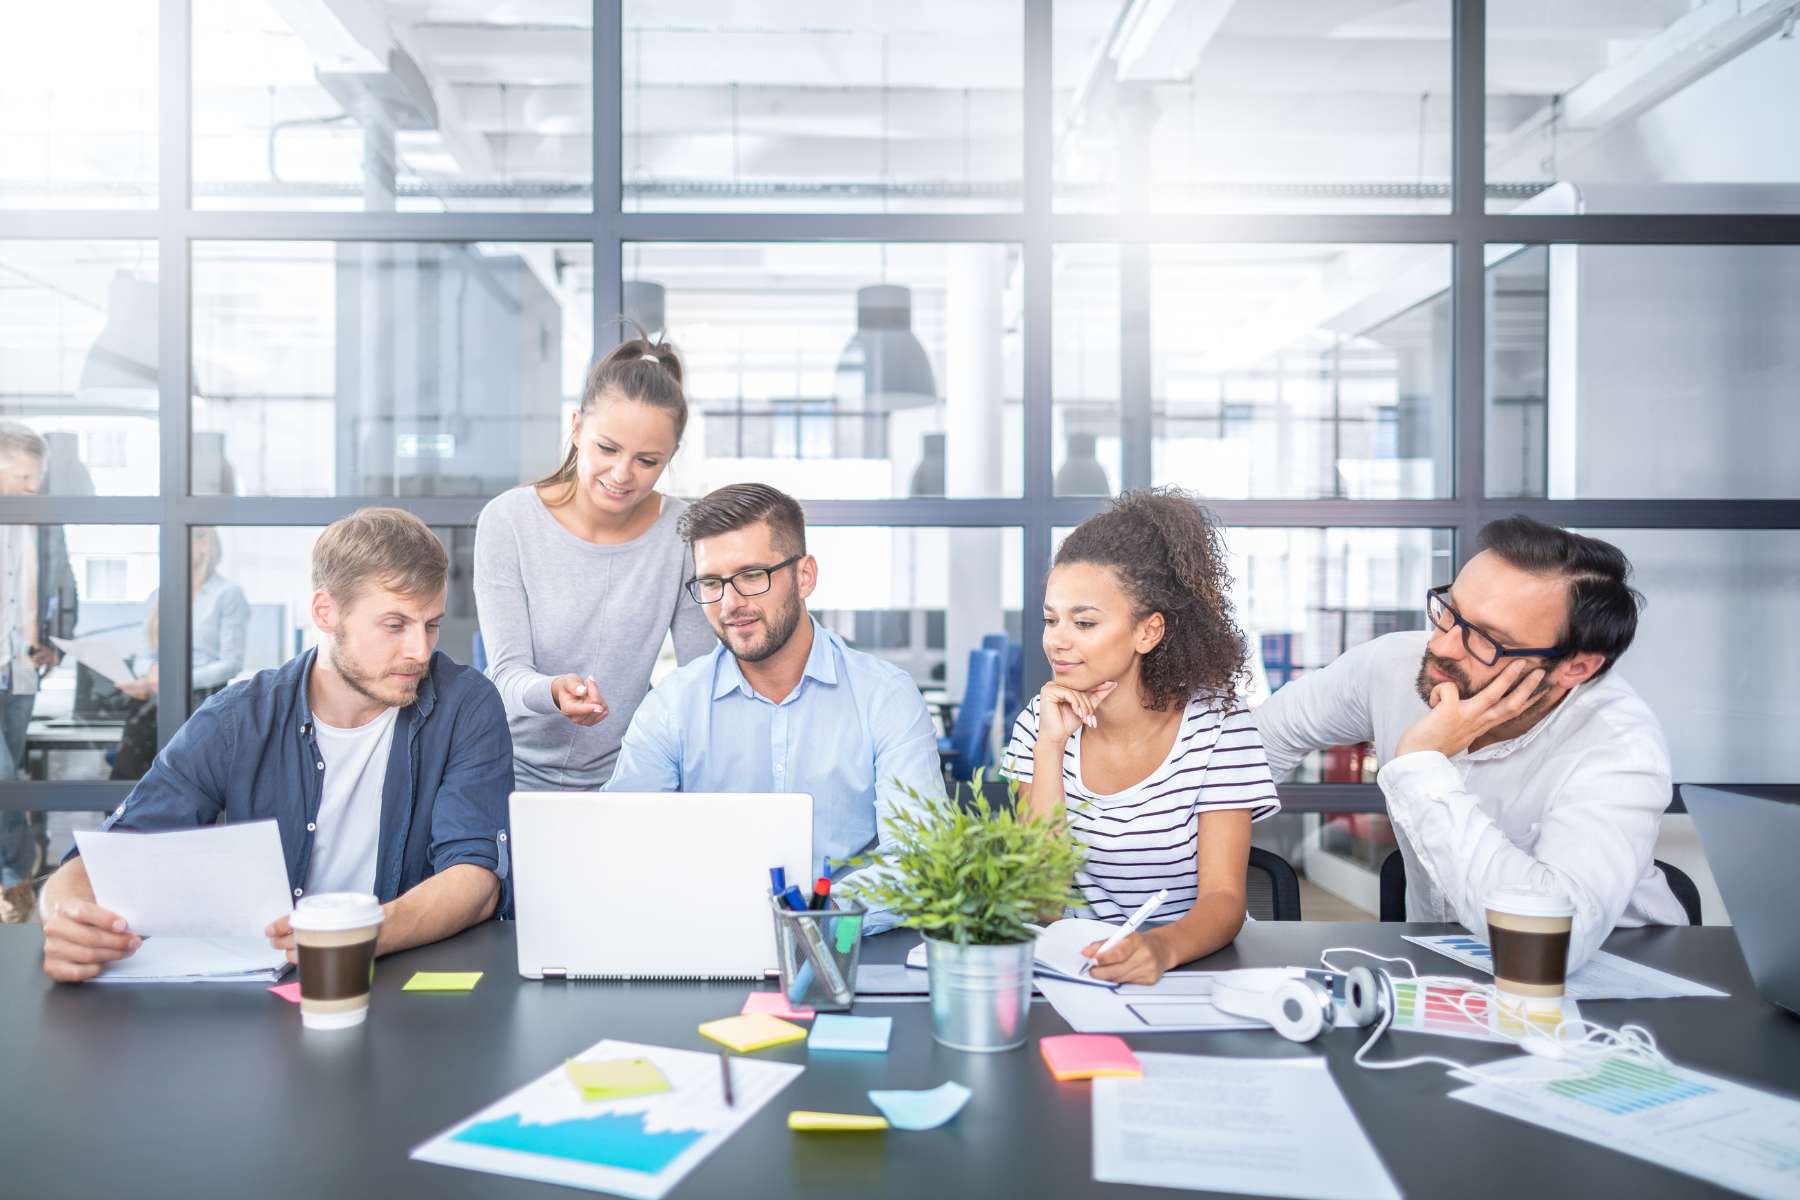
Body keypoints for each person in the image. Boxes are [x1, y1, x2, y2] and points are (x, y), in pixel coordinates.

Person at [39, 508, 514, 984]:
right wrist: (64, 918)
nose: (420, 650)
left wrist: (359, 935)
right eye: (395, 625)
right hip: (265, 991)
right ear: (326, 612)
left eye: (430, 625)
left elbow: (474, 878)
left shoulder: (465, 705)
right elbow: (107, 857)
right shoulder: (238, 717)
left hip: (410, 980)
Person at [1253, 516, 1686, 971]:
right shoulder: (1396, 664)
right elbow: (1258, 743)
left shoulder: (1619, 747)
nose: (1443, 647)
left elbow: (1548, 943)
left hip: (1614, 974)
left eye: (1487, 640)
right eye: (1450, 611)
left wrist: (1421, 764)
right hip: (1440, 962)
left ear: (1574, 669)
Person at [606, 483, 944, 932]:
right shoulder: (671, 706)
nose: (730, 604)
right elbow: (620, 850)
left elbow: (920, 860)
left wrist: (806, 917)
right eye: (711, 582)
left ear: (804, 576)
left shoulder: (885, 697)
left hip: (851, 944)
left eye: (751, 575)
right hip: (706, 940)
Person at [1002, 489, 1279, 985]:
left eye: (1084, 622)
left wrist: (1156, 948)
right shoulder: (1040, 722)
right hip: (1075, 971)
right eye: (1051, 619)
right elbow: (1042, 902)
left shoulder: (1219, 727)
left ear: (1147, 632)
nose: (1057, 639)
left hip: (1191, 967)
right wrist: (1049, 749)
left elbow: (1224, 900)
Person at [475, 333, 714, 790]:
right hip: (509, 772)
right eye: (607, 449)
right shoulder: (508, 521)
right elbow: (504, 675)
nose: (622, 475)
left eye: (647, 460)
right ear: (577, 427)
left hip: (630, 776)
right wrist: (553, 691)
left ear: (671, 457)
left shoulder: (684, 531)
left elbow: (699, 676)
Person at [110, 526, 251, 780]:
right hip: (154, 701)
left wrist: (173, 680)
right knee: (130, 779)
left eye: (196, 540)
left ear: (207, 545)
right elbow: (144, 655)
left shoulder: (227, 594)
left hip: (203, 700)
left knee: (185, 783)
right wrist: (151, 674)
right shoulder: (160, 595)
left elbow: (231, 663)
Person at [0, 423, 61, 920]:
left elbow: (64, 587)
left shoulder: (42, 521)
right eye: (23, 474)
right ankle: (14, 877)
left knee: (13, 777)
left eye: (36, 475)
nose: (33, 486)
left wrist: (54, 643)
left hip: (20, 670)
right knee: (2, 779)